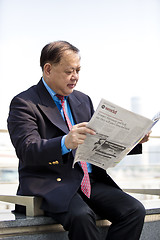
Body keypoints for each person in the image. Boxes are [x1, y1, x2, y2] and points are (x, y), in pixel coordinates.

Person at [7, 40, 149, 240]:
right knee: (82, 216)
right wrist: (65, 142)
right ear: (48, 69)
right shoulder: (24, 103)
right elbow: (27, 150)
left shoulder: (83, 99)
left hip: (89, 180)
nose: (75, 77)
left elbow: (97, 140)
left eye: (78, 70)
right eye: (69, 71)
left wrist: (134, 140)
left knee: (134, 210)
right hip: (51, 182)